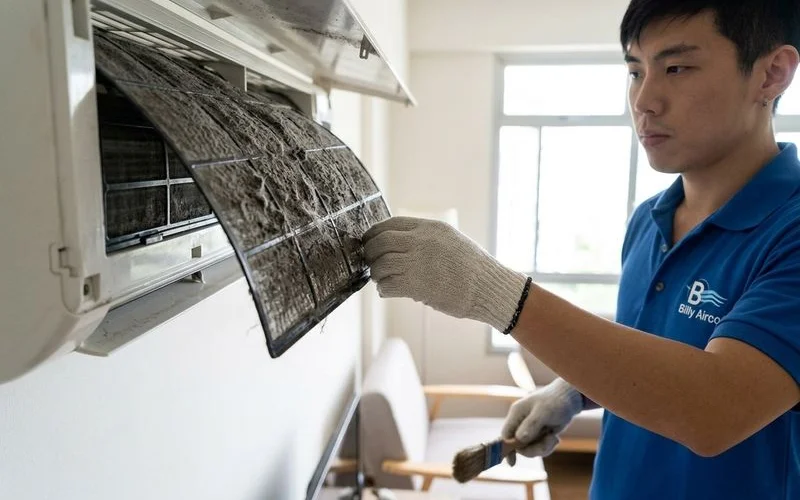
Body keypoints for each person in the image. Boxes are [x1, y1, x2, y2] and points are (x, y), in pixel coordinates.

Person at [362, 1, 800, 498]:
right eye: (635, 71)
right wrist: (576, 390)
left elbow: (715, 409)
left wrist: (494, 293)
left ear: (771, 75)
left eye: (677, 68)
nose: (645, 100)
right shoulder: (649, 220)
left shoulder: (791, 230)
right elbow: (657, 347)